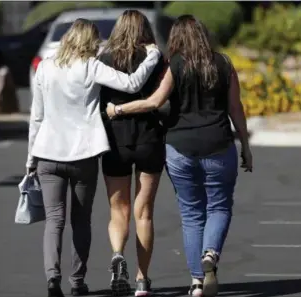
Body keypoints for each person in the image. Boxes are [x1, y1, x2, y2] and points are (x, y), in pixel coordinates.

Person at [106, 15, 253, 297]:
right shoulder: (223, 63)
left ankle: (197, 282)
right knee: (219, 207)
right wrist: (245, 145)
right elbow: (236, 108)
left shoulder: (175, 65)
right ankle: (210, 253)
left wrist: (118, 110)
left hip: (179, 148)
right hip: (219, 144)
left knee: (191, 214)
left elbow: (154, 102)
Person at [25, 18, 161, 297]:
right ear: (89, 41)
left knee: (54, 220)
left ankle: (53, 278)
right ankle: (77, 282)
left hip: (47, 153)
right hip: (83, 153)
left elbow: (36, 117)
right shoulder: (91, 66)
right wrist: (152, 56)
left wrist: (30, 160)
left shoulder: (45, 68)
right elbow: (132, 83)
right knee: (81, 220)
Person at [98, 10, 166, 297]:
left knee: (118, 209)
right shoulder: (156, 58)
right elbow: (164, 100)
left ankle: (117, 255)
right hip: (149, 139)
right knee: (145, 212)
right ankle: (142, 279)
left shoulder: (104, 60)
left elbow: (98, 103)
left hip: (116, 141)